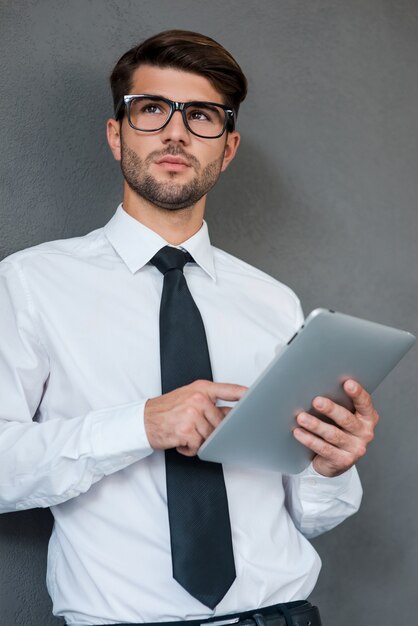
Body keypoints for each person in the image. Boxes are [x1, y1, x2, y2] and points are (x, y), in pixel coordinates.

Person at [0, 30, 379, 626]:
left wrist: (331, 466)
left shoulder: (274, 302)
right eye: (152, 110)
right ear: (115, 133)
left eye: (201, 116)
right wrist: (139, 424)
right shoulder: (29, 283)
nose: (175, 132)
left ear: (226, 149)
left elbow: (310, 516)